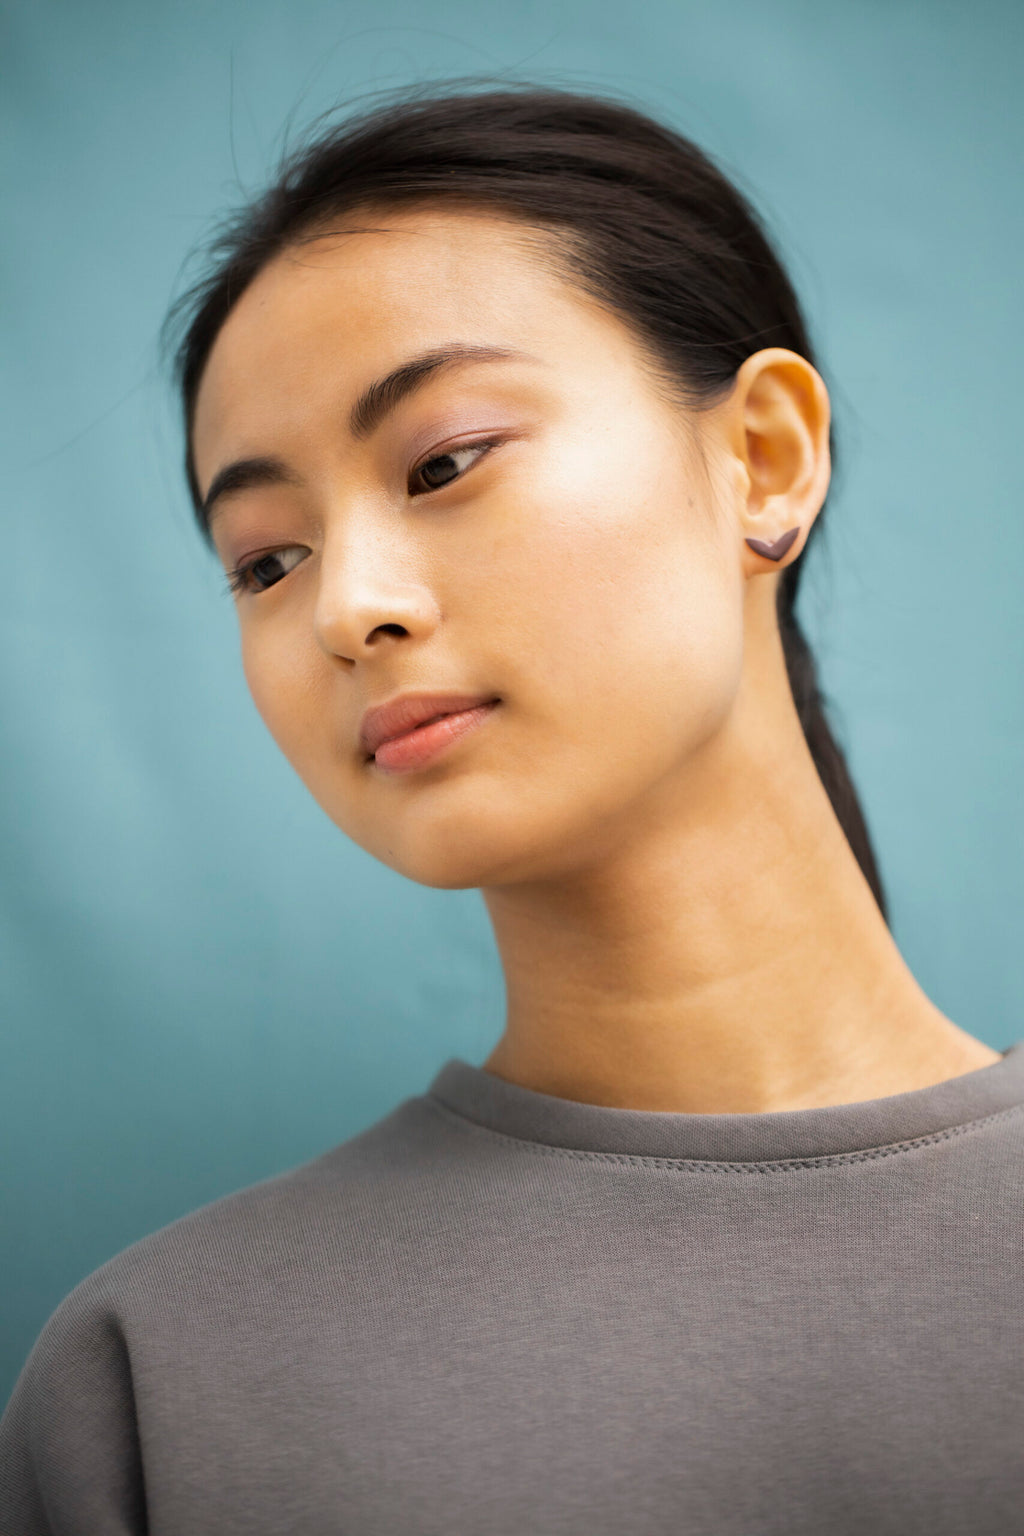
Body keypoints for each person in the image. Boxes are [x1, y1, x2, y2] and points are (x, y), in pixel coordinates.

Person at [1, 81, 1020, 1535]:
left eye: (443, 462)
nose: (348, 608)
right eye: (266, 561)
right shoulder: (161, 1384)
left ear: (767, 458)